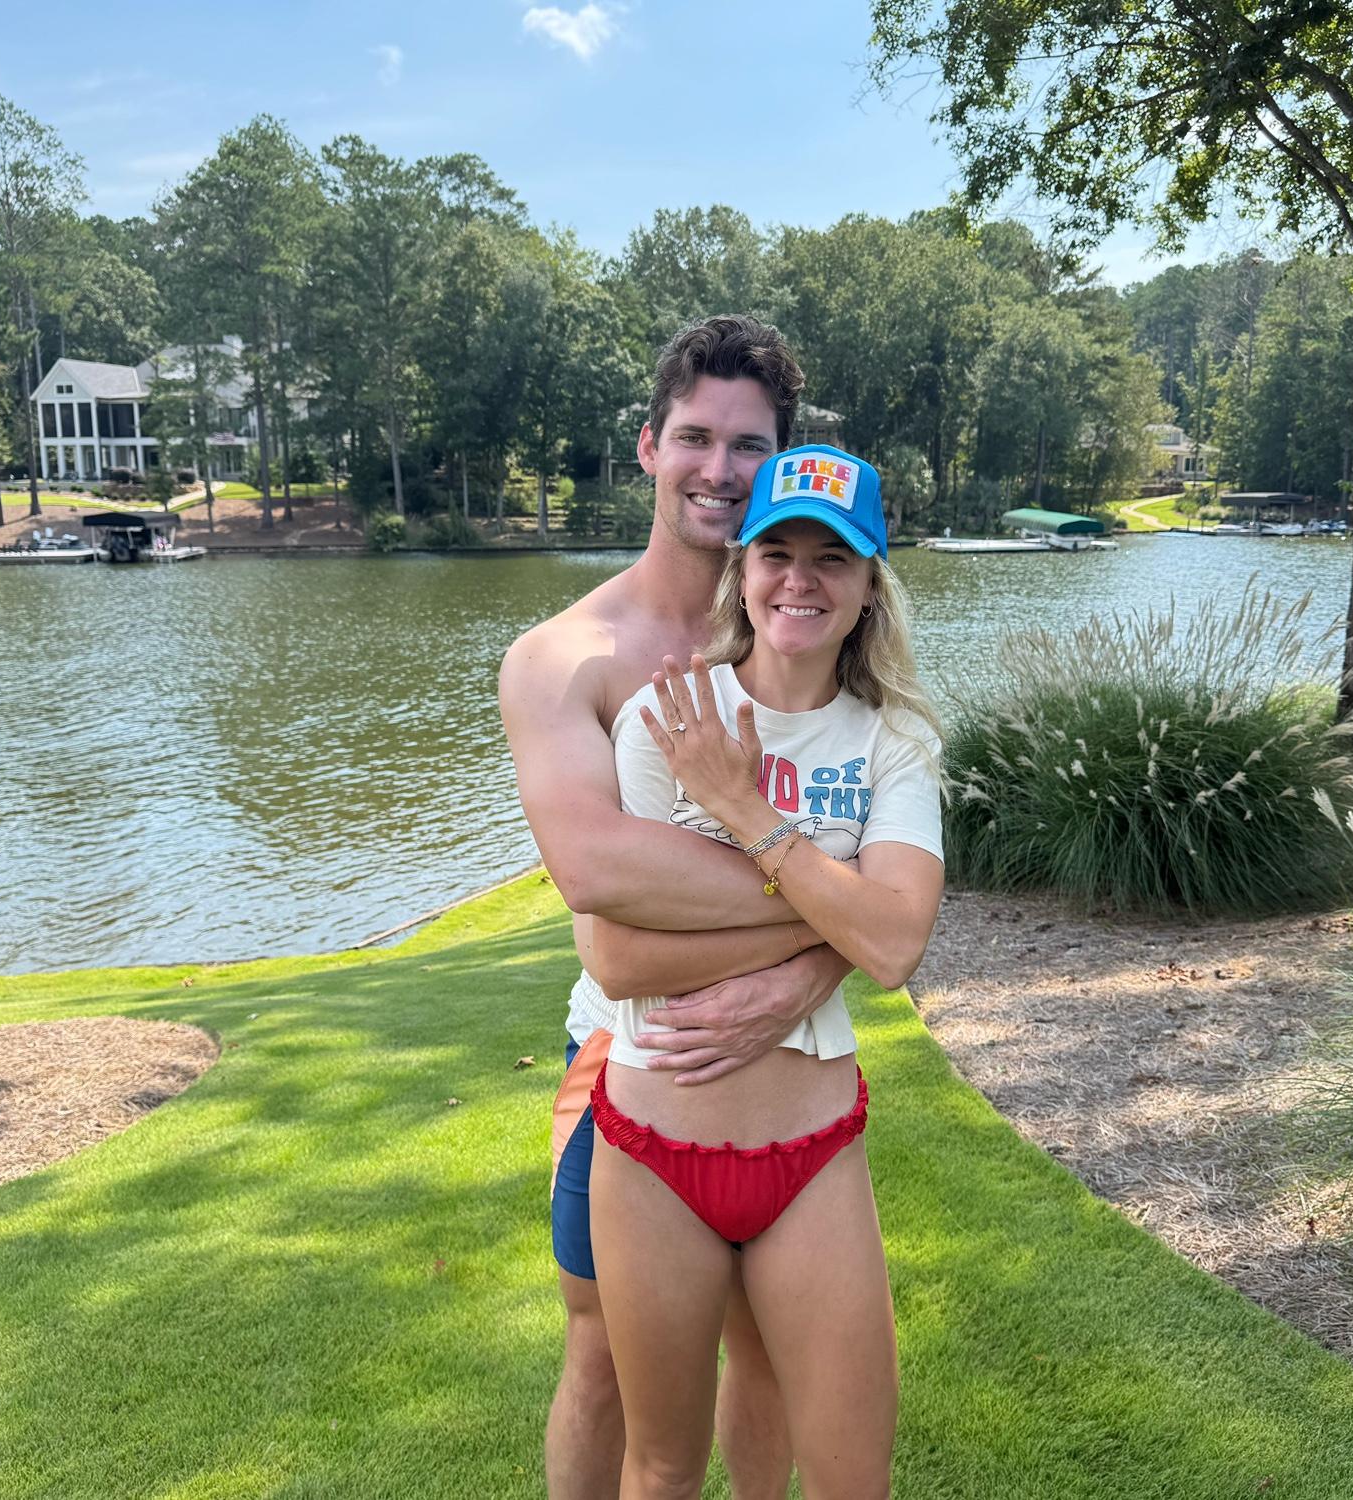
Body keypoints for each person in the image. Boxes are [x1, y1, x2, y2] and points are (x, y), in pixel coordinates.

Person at [500, 316, 855, 1500]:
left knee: (767, 1350)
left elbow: (894, 855)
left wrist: (811, 968)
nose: (719, 469)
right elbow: (600, 886)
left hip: (789, 1050)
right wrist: (839, 916)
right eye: (696, 437)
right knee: (604, 1356)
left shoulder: (812, 631)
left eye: (749, 446)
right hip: (624, 1053)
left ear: (783, 462)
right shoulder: (564, 658)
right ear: (649, 446)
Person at [581, 445, 944, 1499]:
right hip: (652, 1153)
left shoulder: (894, 744)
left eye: (833, 558)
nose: (800, 580)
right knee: (661, 1467)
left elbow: (895, 947)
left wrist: (745, 812)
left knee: (848, 1480)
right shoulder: (667, 719)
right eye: (777, 552)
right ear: (741, 570)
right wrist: (832, 916)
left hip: (812, 1157)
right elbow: (619, 953)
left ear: (870, 584)